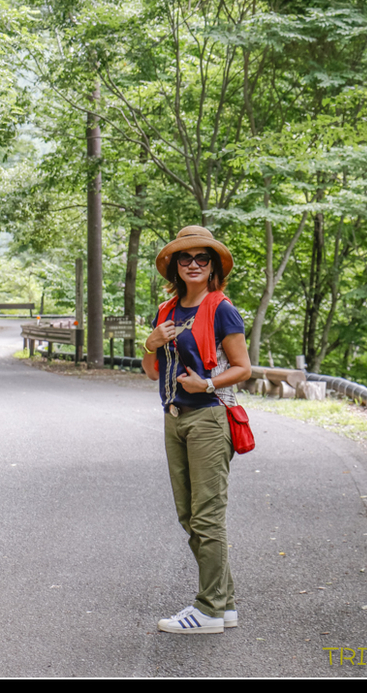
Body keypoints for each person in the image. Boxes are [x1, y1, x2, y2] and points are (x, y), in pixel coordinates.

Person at [141, 225, 252, 634]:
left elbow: (243, 368)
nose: (193, 264)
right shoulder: (166, 311)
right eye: (184, 258)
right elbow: (151, 370)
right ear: (174, 266)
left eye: (201, 258)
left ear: (212, 266)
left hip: (209, 416)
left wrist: (205, 384)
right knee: (189, 515)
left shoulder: (221, 308)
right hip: (174, 417)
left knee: (207, 517)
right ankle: (225, 604)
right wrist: (151, 342)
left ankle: (208, 610)